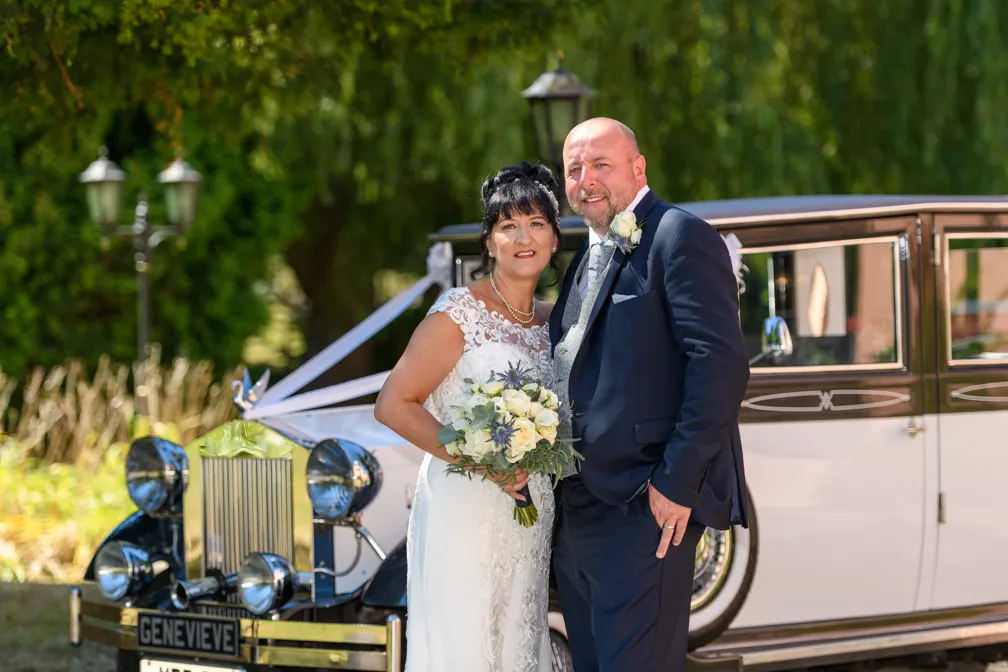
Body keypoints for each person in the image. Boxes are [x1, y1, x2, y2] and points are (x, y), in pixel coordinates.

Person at [549, 117, 751, 672]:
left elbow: (720, 364)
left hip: (646, 507)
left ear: (638, 168)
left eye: (601, 164)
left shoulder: (679, 236)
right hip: (579, 510)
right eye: (574, 169)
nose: (586, 179)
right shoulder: (581, 262)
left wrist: (675, 484)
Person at [374, 161, 563, 672]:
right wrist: (482, 459)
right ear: (489, 241)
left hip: (530, 512)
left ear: (554, 239)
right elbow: (393, 404)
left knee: (519, 639)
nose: (524, 237)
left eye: (537, 224)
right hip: (466, 503)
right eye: (508, 226)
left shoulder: (555, 321)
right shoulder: (458, 314)